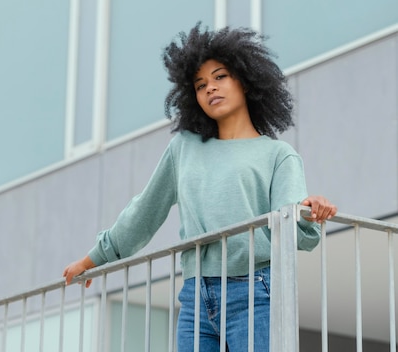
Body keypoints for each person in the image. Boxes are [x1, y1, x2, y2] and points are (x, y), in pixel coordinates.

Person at [62, 23, 337, 352]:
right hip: (195, 296)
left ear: (246, 81)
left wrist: (309, 211)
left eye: (220, 77)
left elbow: (291, 223)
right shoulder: (184, 149)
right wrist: (93, 259)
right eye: (200, 84)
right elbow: (144, 212)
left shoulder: (278, 155)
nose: (210, 88)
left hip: (255, 291)